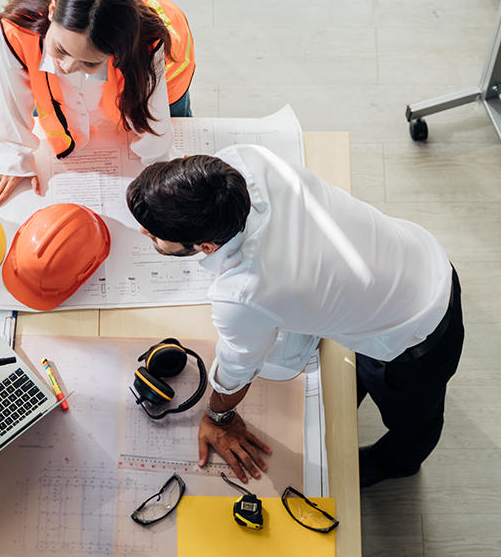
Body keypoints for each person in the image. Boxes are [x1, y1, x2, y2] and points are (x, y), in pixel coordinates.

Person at [126, 145, 464, 488]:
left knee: (413, 418)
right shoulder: (244, 159)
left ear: (207, 246)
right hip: (417, 252)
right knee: (358, 372)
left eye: (154, 233)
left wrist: (219, 419)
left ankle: (397, 463)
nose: (144, 232)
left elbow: (237, 367)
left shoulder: (245, 292)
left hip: (418, 330)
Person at [0, 0, 195, 206]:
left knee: (172, 114)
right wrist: (14, 156)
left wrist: (162, 167)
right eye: (61, 49)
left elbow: (154, 128)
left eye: (90, 62)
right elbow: (11, 98)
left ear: (115, 53)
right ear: (52, 12)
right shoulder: (16, 30)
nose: (67, 67)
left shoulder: (146, 46)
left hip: (169, 65)